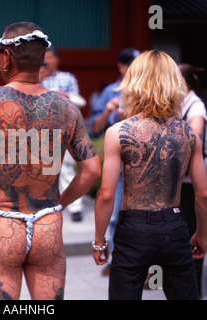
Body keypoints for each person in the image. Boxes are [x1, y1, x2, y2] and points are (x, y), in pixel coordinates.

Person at [0, 22, 101, 300]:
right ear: (41, 60)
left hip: (2, 224)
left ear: (6, 57)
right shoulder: (66, 108)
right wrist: (59, 205)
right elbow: (91, 170)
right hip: (47, 225)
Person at [93, 50, 207, 300]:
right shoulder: (189, 133)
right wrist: (202, 234)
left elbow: (105, 194)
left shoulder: (118, 132)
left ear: (134, 82)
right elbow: (203, 193)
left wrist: (100, 241)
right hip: (175, 225)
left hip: (133, 228)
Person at [91, 48, 140, 275]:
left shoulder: (145, 89)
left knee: (143, 212)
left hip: (142, 161)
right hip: (117, 160)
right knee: (114, 211)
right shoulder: (111, 91)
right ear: (121, 67)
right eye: (132, 63)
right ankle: (118, 259)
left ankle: (144, 264)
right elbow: (97, 127)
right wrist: (108, 112)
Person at [40, 47, 86, 222]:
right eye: (43, 58)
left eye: (49, 57)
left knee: (67, 169)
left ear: (57, 59)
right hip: (43, 130)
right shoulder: (36, 77)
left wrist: (64, 95)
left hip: (65, 129)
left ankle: (75, 207)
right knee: (45, 169)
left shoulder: (66, 78)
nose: (46, 61)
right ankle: (47, 203)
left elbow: (79, 101)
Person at [178, 63, 207, 297]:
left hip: (190, 181)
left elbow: (194, 135)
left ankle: (194, 288)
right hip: (181, 180)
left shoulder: (196, 106)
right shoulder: (181, 104)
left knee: (192, 232)